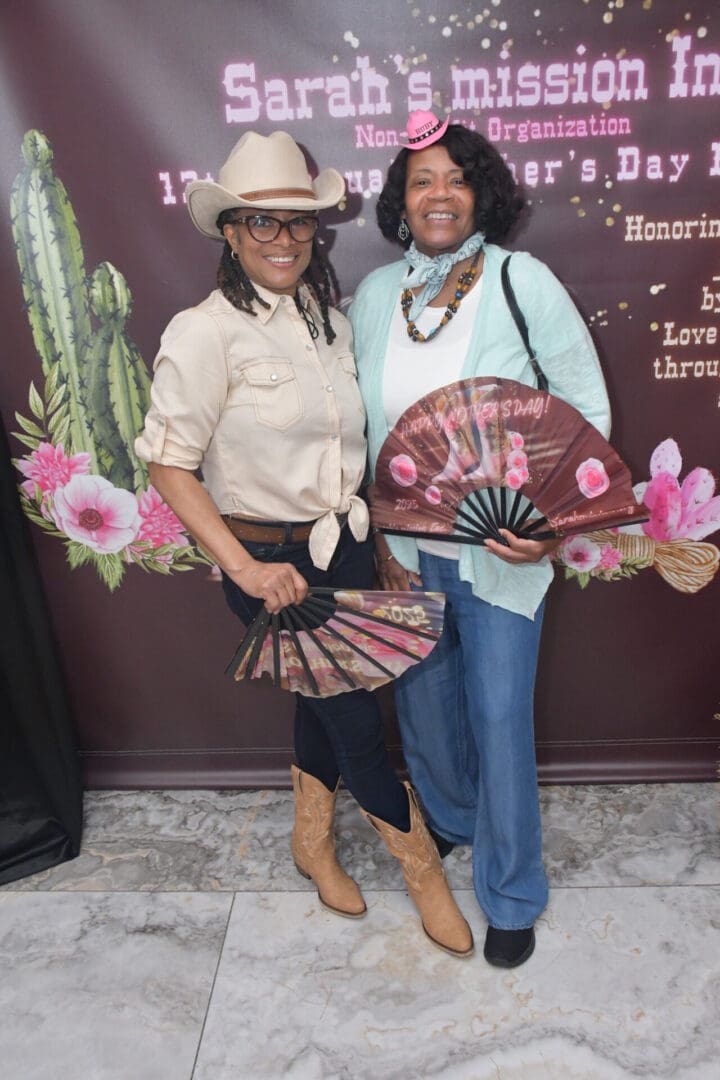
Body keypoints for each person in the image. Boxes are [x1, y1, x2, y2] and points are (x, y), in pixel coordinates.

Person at [135, 129, 473, 958]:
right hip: (267, 563)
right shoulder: (203, 333)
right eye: (261, 222)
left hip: (346, 547)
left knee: (321, 706)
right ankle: (421, 870)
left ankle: (311, 842)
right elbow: (169, 464)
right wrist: (245, 568)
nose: (283, 239)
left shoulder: (329, 319)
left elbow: (348, 452)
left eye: (297, 223)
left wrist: (379, 539)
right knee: (356, 718)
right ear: (230, 232)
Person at [350, 111, 611, 968]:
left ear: (480, 193)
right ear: (402, 200)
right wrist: (379, 527)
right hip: (404, 546)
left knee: (499, 716)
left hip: (502, 552)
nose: (439, 194)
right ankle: (458, 824)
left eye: (456, 178)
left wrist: (543, 527)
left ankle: (511, 893)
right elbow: (362, 427)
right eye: (422, 179)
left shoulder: (518, 279)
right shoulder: (377, 297)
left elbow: (582, 409)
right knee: (424, 711)